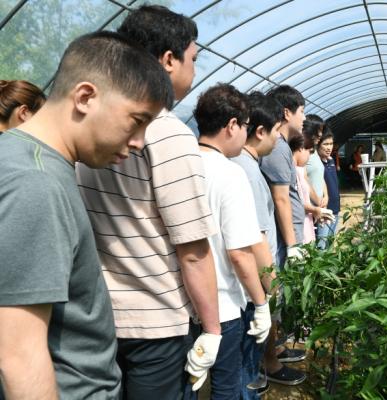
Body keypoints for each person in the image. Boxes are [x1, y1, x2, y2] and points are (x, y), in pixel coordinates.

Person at [0, 31, 173, 400]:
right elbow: (19, 354)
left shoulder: (20, 157)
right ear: (85, 97)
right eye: (136, 120)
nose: (139, 141)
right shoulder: (37, 184)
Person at [76, 6, 221, 399]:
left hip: (95, 316)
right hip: (156, 324)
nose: (194, 69)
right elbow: (192, 249)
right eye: (193, 58)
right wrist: (212, 328)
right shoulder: (167, 132)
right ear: (169, 60)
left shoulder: (88, 124)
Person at [194, 84, 271, 399]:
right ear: (231, 126)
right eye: (245, 126)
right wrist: (262, 303)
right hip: (224, 305)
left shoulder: (180, 165)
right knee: (226, 387)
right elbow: (239, 254)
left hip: (186, 305)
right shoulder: (230, 174)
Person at [230, 92, 282, 398]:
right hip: (251, 290)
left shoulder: (238, 164)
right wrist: (271, 289)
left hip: (244, 288)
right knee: (245, 371)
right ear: (260, 131)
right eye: (276, 131)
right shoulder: (247, 172)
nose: (277, 140)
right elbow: (257, 239)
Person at [259, 85, 307, 385]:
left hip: (282, 241)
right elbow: (280, 200)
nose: (303, 118)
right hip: (277, 244)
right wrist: (291, 246)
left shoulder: (281, 147)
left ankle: (273, 352)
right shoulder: (277, 148)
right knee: (270, 302)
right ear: (287, 112)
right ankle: (270, 364)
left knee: (275, 304)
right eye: (301, 111)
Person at [290, 134, 331, 244]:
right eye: (309, 152)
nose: (309, 156)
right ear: (300, 148)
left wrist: (319, 205)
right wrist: (314, 209)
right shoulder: (292, 171)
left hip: (307, 220)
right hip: (298, 225)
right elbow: (292, 202)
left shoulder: (300, 169)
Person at [316, 130, 341, 249]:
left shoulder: (330, 160)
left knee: (330, 244)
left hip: (335, 208)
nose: (329, 147)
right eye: (325, 144)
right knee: (321, 245)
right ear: (317, 144)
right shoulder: (315, 163)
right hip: (324, 210)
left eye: (331, 144)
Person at [303, 115, 328, 209]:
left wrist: (326, 196)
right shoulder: (302, 153)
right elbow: (303, 179)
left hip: (318, 207)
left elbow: (320, 176)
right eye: (319, 130)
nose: (321, 134)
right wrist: (317, 201)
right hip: (310, 207)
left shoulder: (314, 151)